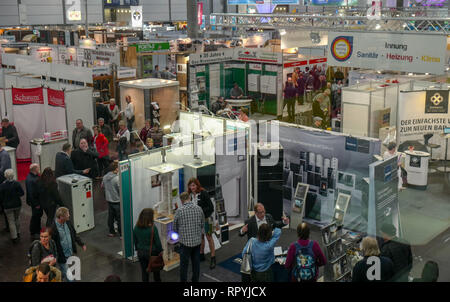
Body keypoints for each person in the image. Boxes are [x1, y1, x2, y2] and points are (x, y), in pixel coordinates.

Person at [173, 192, 205, 282]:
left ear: (181, 200)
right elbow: (202, 224)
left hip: (185, 244)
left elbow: (175, 228)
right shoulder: (199, 209)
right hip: (197, 242)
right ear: (190, 198)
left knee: (184, 265)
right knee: (196, 264)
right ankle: (195, 280)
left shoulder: (179, 211)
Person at [51, 207, 86, 282]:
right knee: (70, 277)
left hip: (69, 254)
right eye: (67, 215)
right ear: (61, 217)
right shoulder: (53, 228)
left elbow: (74, 234)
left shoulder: (68, 223)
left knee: (63, 273)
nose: (69, 216)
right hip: (61, 256)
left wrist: (81, 244)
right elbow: (52, 244)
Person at [187, 178, 216, 269]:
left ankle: (213, 257)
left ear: (197, 185)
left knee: (209, 237)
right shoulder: (190, 195)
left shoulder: (203, 193)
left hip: (207, 219)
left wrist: (200, 211)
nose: (192, 187)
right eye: (191, 185)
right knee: (200, 237)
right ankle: (201, 254)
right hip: (196, 220)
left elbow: (211, 208)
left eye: (194, 185)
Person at [133, 208, 163, 282]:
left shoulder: (136, 228)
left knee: (144, 272)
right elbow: (158, 243)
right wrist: (160, 251)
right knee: (156, 273)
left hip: (141, 252)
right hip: (152, 253)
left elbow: (135, 241)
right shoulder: (153, 228)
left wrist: (137, 249)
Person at [0, 169, 24, 243]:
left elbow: (0, 197)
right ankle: (18, 232)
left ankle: (14, 237)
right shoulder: (17, 183)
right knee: (17, 218)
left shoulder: (2, 185)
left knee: (11, 221)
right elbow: (22, 193)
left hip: (7, 206)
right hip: (17, 204)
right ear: (13, 175)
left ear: (5, 176)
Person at [102, 162, 121, 238]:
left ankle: (111, 232)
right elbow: (120, 191)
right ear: (116, 169)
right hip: (117, 201)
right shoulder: (117, 179)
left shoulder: (105, 177)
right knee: (119, 219)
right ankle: (121, 234)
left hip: (109, 200)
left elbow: (102, 186)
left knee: (111, 217)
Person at [26, 164, 41, 239]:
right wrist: (36, 204)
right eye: (38, 168)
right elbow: (31, 193)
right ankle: (34, 231)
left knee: (37, 215)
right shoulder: (31, 180)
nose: (39, 169)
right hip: (35, 202)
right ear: (35, 169)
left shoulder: (32, 176)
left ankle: (36, 229)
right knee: (36, 216)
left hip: (35, 201)